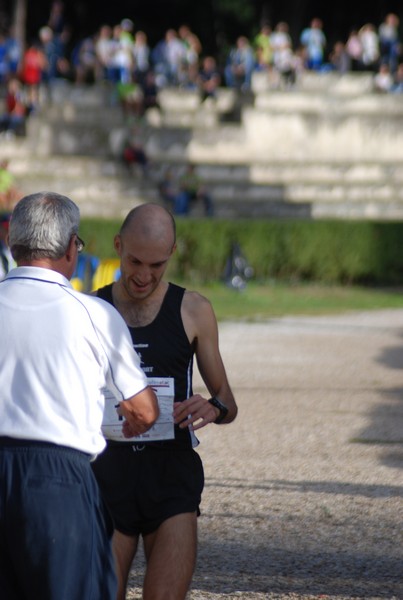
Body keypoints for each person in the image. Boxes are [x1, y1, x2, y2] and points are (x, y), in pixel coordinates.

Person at [0, 191, 159, 600]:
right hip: (58, 478)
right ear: (72, 248)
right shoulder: (94, 314)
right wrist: (128, 420)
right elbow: (144, 410)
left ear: (12, 244)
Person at [92, 203, 238, 600]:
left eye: (156, 265)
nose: (143, 275)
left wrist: (213, 407)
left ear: (172, 253)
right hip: (107, 477)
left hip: (171, 477)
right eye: (134, 261)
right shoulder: (91, 311)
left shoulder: (194, 310)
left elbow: (227, 401)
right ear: (118, 246)